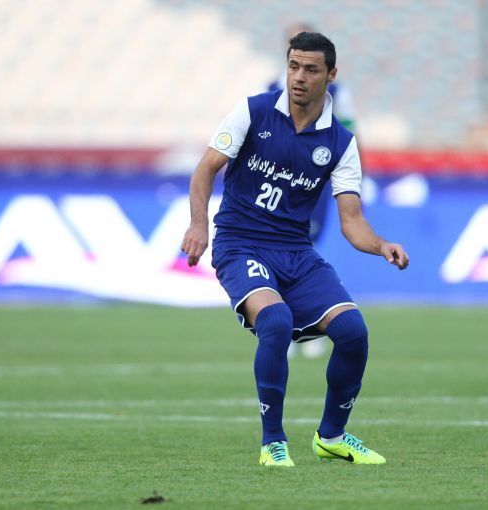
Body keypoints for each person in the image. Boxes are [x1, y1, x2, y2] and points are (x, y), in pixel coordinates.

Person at [181, 32, 409, 466]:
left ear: (331, 75)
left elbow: (352, 221)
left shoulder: (340, 143)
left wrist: (382, 245)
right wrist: (198, 224)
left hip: (295, 251)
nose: (299, 77)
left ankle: (332, 436)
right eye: (293, 66)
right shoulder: (253, 111)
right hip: (240, 243)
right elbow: (205, 169)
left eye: (311, 69)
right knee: (276, 320)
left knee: (353, 332)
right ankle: (273, 443)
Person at [268, 22, 359, 360]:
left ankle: (307, 325)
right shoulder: (271, 88)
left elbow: (348, 136)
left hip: (314, 183)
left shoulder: (339, 93)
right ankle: (286, 326)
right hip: (277, 181)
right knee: (277, 252)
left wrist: (351, 178)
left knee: (304, 250)